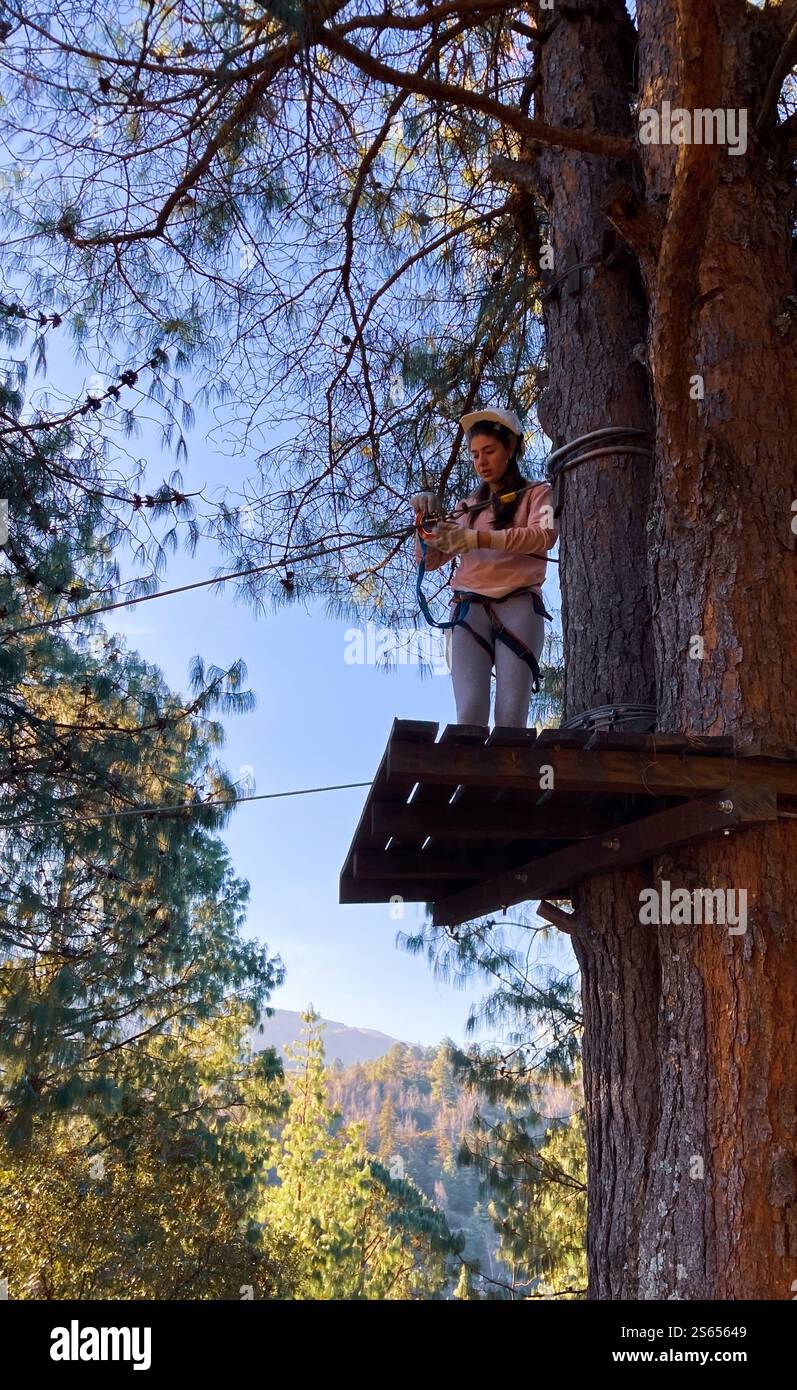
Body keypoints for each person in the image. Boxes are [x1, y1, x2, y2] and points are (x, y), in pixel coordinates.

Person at [411, 407, 558, 728]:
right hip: (469, 609)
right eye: (475, 455)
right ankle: (470, 777)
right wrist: (423, 521)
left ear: (511, 448)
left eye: (489, 451)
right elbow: (431, 560)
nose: (481, 462)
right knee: (469, 717)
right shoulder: (467, 507)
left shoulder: (537, 494)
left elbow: (543, 536)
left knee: (509, 719)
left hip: (519, 605)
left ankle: (506, 778)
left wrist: (477, 538)